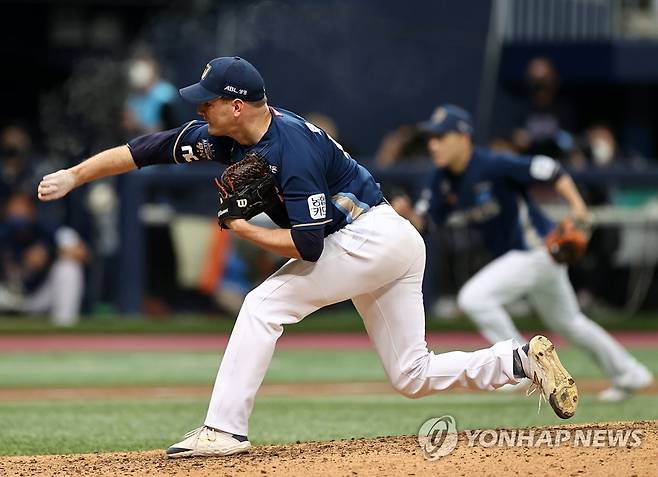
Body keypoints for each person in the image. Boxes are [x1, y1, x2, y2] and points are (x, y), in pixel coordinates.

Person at [39, 56, 578, 458]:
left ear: (237, 105)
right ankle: (517, 361)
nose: (198, 109)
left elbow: (310, 246)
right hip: (388, 240)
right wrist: (75, 176)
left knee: (262, 305)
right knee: (411, 375)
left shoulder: (289, 150)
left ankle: (224, 429)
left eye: (207, 100)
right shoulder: (228, 136)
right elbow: (147, 149)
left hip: (370, 238)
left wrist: (242, 229)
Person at [392, 104, 653, 403]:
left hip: (536, 251)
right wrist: (407, 214)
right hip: (527, 260)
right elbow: (425, 223)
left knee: (474, 298)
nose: (433, 144)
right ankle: (630, 373)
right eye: (431, 138)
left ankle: (521, 363)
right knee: (570, 322)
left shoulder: (493, 164)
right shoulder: (441, 180)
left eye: (441, 136)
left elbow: (551, 170)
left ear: (463, 137)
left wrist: (579, 209)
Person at [0, 192, 87, 326]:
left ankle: (64, 327)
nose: (18, 214)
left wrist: (49, 253)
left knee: (68, 269)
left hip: (37, 296)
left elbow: (82, 253)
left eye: (23, 209)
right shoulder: (4, 232)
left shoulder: (46, 230)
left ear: (32, 211)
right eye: (14, 209)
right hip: (7, 296)